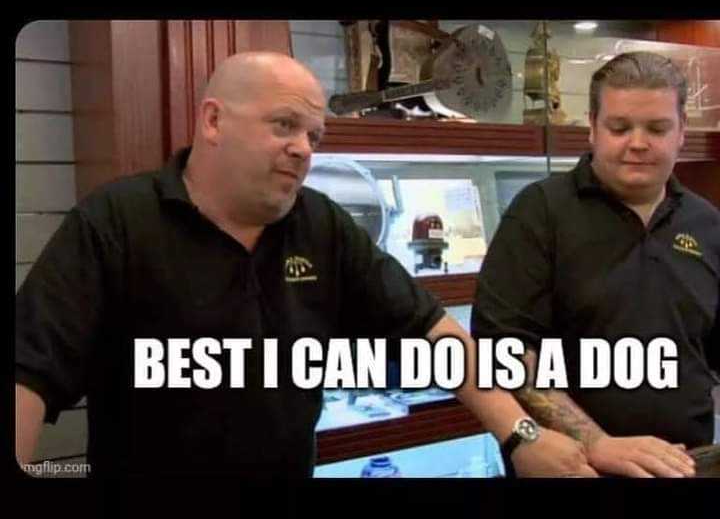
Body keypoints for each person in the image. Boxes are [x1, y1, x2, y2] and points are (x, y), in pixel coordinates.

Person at [16, 51, 596, 480]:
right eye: (284, 126)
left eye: (314, 134)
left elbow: (434, 333)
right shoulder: (117, 221)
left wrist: (520, 435)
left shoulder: (320, 223)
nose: (304, 149)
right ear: (213, 121)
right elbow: (28, 371)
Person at [472, 51, 718, 478]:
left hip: (688, 463)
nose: (637, 142)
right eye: (619, 127)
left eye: (657, 128)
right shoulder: (541, 211)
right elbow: (504, 352)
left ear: (682, 133)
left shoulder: (707, 223)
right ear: (592, 128)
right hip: (573, 468)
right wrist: (596, 443)